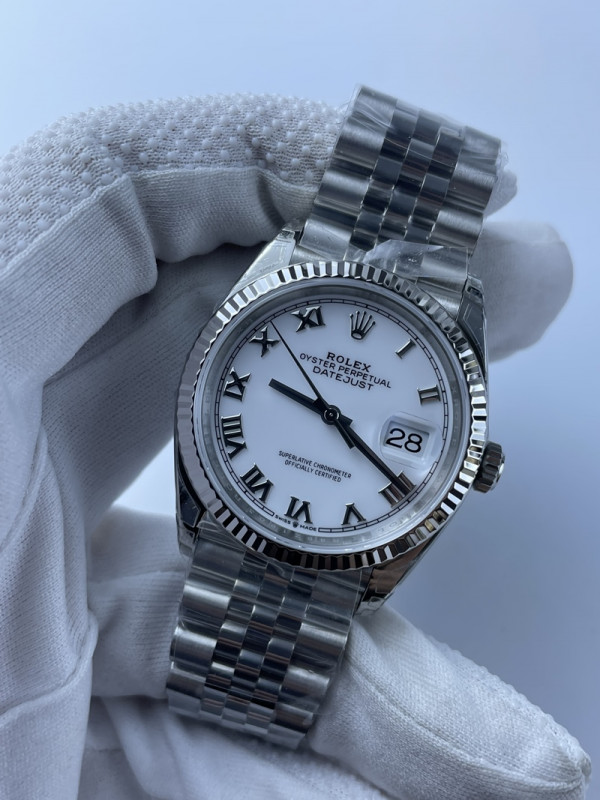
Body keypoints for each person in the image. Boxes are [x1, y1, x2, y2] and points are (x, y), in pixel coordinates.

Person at [0, 92, 591, 799]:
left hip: (298, 532)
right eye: (328, 413)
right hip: (256, 515)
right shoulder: (279, 278)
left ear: (472, 465)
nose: (335, 419)